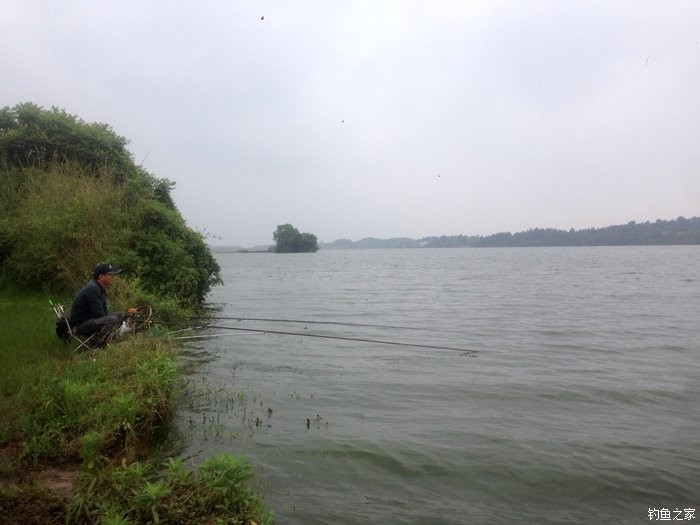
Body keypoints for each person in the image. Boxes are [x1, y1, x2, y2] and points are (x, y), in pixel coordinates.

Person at [69, 262, 136, 347]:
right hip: (80, 325)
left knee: (121, 314)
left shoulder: (100, 288)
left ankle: (113, 336)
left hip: (90, 320)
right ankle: (102, 342)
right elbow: (99, 315)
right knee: (112, 319)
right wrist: (114, 322)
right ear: (101, 277)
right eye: (110, 275)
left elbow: (104, 314)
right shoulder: (93, 289)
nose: (113, 277)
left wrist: (126, 315)